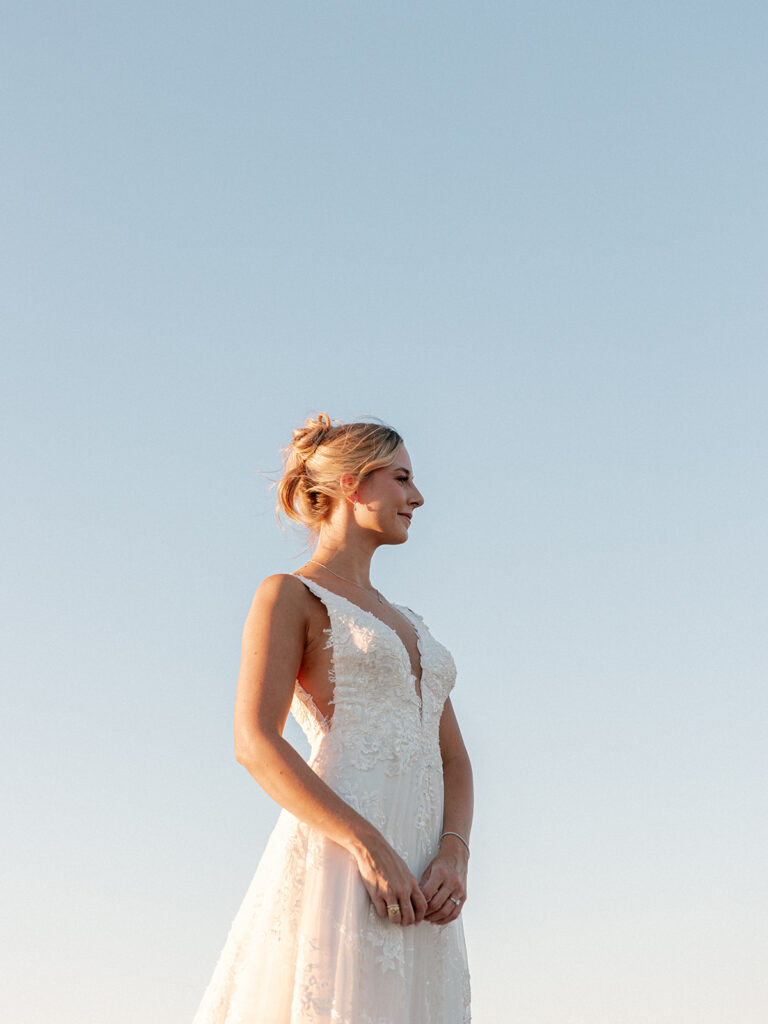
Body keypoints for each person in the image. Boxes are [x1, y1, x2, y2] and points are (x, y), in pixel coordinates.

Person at [192, 413, 473, 1023]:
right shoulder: (290, 595)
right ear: (351, 483)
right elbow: (254, 742)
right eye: (402, 478)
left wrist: (455, 854)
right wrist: (366, 844)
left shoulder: (412, 623)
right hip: (346, 863)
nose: (418, 498)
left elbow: (453, 759)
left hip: (425, 881)